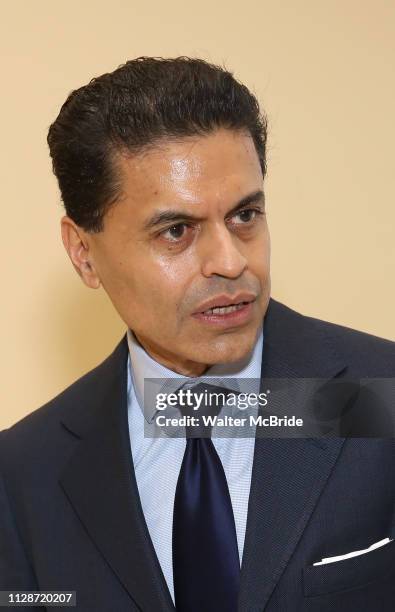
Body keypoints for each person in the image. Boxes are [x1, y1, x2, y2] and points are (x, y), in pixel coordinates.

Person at [0, 57, 394, 612]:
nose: (230, 262)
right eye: (177, 231)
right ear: (83, 253)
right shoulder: (23, 474)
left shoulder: (380, 398)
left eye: (245, 216)